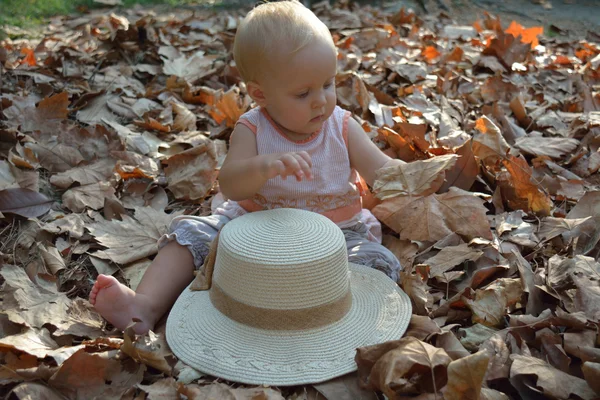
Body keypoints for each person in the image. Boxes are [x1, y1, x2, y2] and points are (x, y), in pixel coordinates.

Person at [90, 0, 405, 335]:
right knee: (188, 238)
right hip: (253, 228)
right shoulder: (253, 128)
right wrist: (262, 167)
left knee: (375, 263)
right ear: (260, 94)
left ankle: (340, 321)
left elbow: (382, 172)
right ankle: (144, 306)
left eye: (328, 84)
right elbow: (231, 184)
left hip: (336, 234)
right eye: (303, 93)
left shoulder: (341, 127)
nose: (321, 100)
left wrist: (418, 175)